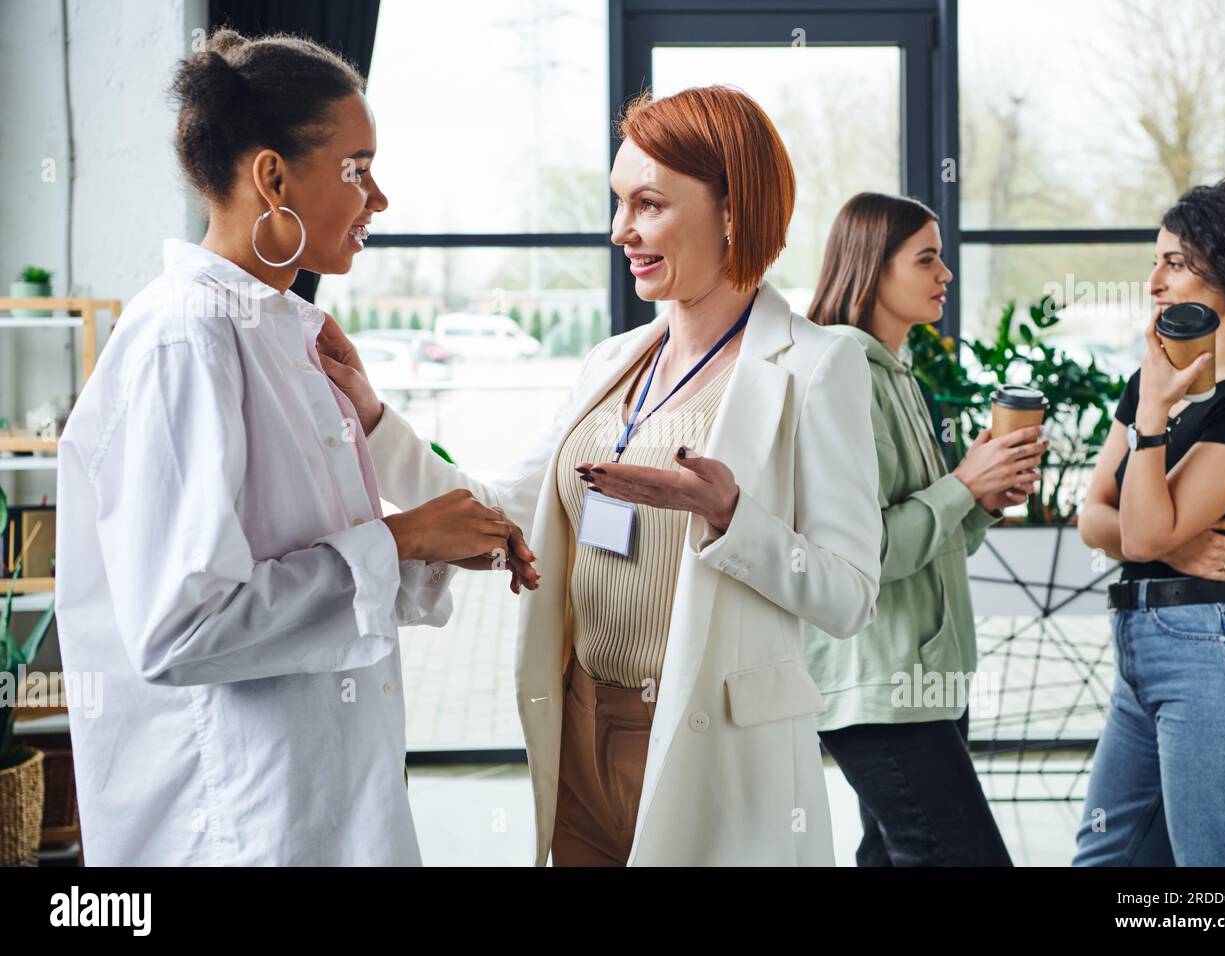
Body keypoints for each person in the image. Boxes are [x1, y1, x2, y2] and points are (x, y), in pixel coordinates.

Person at [319, 85, 883, 865]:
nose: (622, 230)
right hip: (580, 731)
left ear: (732, 211)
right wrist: (374, 419)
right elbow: (498, 511)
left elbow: (850, 594)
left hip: (712, 750)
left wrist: (732, 518)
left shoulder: (820, 366)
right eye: (619, 203)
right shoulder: (611, 363)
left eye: (648, 204)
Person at [54, 29, 535, 866]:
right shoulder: (185, 339)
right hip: (239, 823)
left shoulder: (286, 335)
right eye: (357, 168)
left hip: (320, 800)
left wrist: (437, 543)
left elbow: (317, 570)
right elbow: (183, 628)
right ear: (272, 176)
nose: (377, 198)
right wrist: (402, 537)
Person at [801, 193, 1042, 865]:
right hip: (879, 688)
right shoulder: (841, 373)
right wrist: (964, 482)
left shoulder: (899, 376)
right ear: (872, 268)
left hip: (926, 682)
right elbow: (866, 555)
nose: (946, 275)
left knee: (892, 857)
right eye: (927, 258)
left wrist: (984, 498)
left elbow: (938, 542)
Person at [1074, 177, 1225, 866]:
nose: (1153, 283)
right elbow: (1094, 517)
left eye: (1175, 262)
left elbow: (1136, 534)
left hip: (1214, 659)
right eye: (1156, 261)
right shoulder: (1148, 382)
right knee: (1106, 863)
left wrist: (1151, 424)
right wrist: (1174, 542)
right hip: (1142, 654)